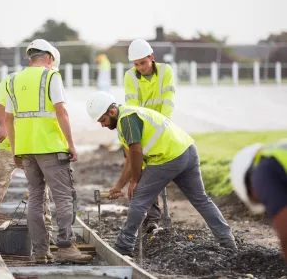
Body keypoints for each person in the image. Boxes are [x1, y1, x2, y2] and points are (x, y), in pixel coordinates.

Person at [86, 91, 237, 257]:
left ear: (112, 112)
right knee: (201, 199)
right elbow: (130, 159)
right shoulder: (130, 116)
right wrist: (119, 185)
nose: (102, 125)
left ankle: (123, 246)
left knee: (139, 199)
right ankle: (228, 242)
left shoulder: (127, 120)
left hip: (167, 158)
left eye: (103, 120)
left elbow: (136, 153)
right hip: (187, 150)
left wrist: (135, 180)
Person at [5, 39, 92, 264]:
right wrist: (71, 144)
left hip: (26, 149)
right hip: (51, 147)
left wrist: (16, 150)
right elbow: (61, 111)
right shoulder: (51, 76)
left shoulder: (12, 79)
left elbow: (8, 118)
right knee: (63, 197)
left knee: (35, 197)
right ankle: (66, 247)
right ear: (50, 58)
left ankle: (41, 251)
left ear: (30, 57)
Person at [0, 53, 58, 237]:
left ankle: (45, 231)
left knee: (39, 189)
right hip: (11, 144)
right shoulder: (13, 80)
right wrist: (2, 126)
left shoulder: (51, 82)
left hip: (36, 144)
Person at [122, 38, 176, 232]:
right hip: (141, 130)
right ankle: (151, 217)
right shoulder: (130, 76)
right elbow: (133, 106)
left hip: (162, 126)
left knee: (157, 170)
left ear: (152, 58)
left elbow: (168, 101)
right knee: (140, 170)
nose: (140, 68)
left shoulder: (165, 71)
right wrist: (139, 137)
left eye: (143, 63)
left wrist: (163, 127)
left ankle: (152, 216)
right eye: (136, 64)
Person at [231, 139, 287, 260]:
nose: (263, 202)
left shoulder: (262, 173)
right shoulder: (277, 155)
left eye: (258, 200)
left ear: (250, 187)